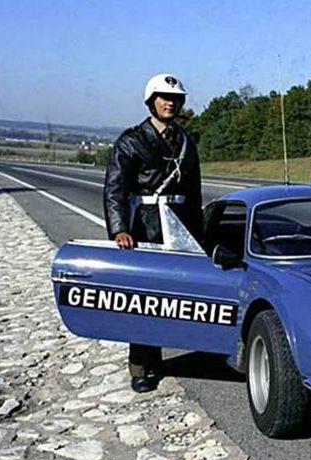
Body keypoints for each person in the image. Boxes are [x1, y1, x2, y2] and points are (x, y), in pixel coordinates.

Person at [103, 73, 203, 393]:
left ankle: (168, 352)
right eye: (163, 97)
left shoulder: (186, 141)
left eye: (175, 98)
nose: (169, 103)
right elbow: (115, 190)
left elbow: (194, 191)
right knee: (144, 299)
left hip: (180, 225)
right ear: (151, 101)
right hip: (145, 225)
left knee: (175, 296)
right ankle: (142, 366)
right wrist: (119, 229)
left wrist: (199, 233)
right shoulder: (131, 141)